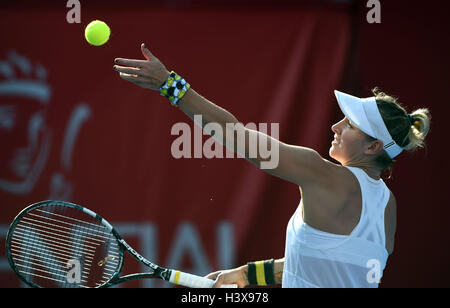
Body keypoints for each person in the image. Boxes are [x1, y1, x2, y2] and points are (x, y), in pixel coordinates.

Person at [113, 44, 431, 288]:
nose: (335, 127)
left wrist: (170, 85)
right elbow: (322, 263)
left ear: (373, 146)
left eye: (349, 125)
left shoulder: (322, 174)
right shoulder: (388, 207)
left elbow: (233, 134)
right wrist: (244, 275)